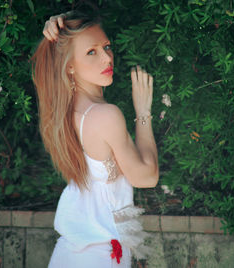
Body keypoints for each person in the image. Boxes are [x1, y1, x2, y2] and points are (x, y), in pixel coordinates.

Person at [31, 11, 159, 268]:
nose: (107, 57)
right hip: (99, 257)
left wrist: (65, 20)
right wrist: (143, 113)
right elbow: (146, 177)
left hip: (71, 253)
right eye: (92, 52)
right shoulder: (105, 115)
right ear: (69, 65)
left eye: (107, 47)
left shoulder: (63, 113)